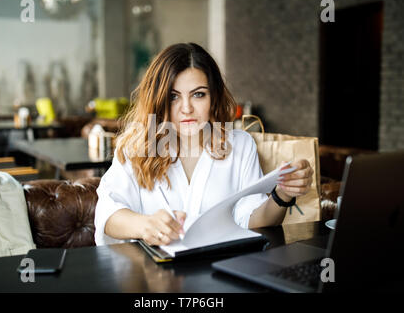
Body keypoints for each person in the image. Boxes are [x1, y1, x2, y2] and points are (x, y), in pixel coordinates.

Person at [94, 43, 313, 246]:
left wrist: (282, 195)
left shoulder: (240, 145)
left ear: (214, 97)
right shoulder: (136, 146)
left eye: (198, 94)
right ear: (158, 100)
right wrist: (144, 226)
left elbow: (252, 219)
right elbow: (108, 212)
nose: (187, 108)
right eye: (174, 97)